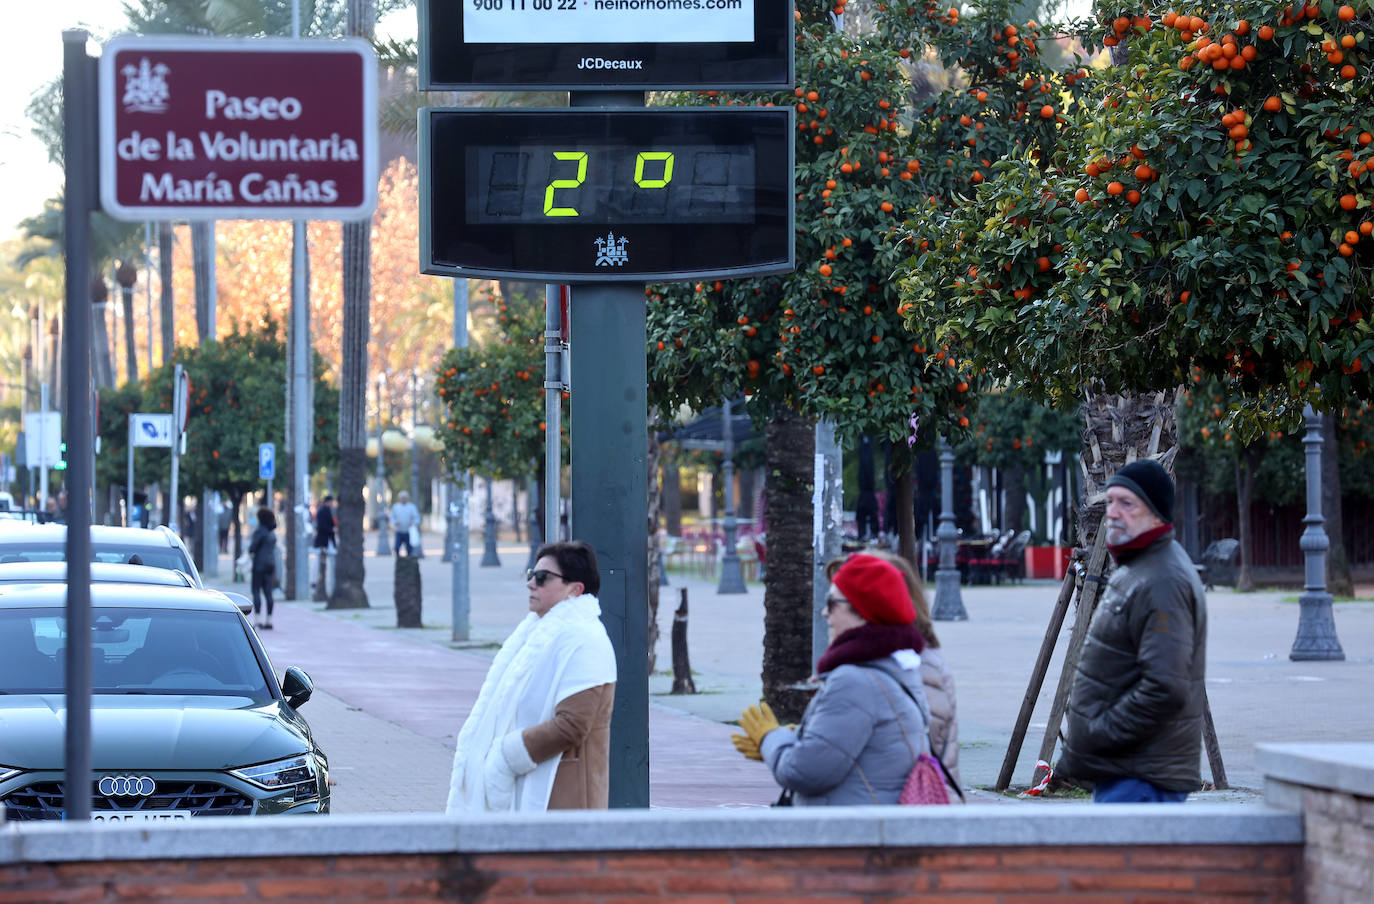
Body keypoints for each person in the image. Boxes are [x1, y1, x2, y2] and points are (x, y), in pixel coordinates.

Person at [1058, 459, 1208, 803]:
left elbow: (1165, 686)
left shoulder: (1163, 580)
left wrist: (1098, 732)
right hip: (1128, 771)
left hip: (1142, 779)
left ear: (1156, 514)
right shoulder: (1141, 567)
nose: (1112, 512)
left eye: (1126, 504)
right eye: (1110, 501)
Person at [732, 553, 931, 805]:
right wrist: (800, 738)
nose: (825, 613)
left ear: (861, 609)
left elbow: (803, 773)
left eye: (832, 602)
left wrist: (770, 738)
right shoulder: (895, 667)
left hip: (848, 835)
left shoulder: (855, 682)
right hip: (870, 828)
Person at [447, 540, 617, 812]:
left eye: (542, 578)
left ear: (575, 589)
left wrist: (505, 757)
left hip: (563, 801)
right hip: (528, 797)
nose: (531, 584)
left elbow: (573, 725)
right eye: (531, 575)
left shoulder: (586, 640)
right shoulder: (537, 636)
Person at [852, 549, 961, 790]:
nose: (827, 612)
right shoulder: (901, 659)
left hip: (908, 808)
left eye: (845, 601)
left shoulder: (912, 664)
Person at [248, 507, 278, 630]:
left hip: (259, 564)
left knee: (256, 591)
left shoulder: (260, 531)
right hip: (271, 564)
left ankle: (258, 619)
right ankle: (269, 620)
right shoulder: (272, 532)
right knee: (268, 592)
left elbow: (252, 548)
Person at [390, 491, 420, 557]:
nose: (403, 499)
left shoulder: (412, 507)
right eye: (402, 498)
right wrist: (395, 522)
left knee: (409, 548)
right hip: (399, 531)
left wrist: (413, 522)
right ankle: (399, 560)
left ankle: (408, 561)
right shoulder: (396, 507)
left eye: (405, 498)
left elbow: (417, 518)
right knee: (396, 547)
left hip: (408, 531)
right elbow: (392, 518)